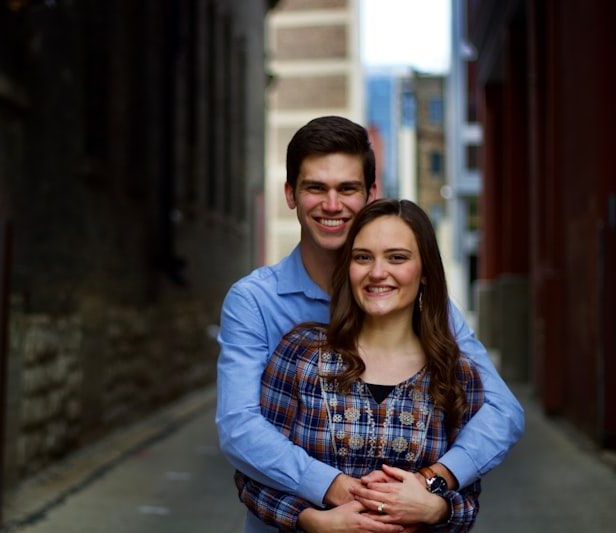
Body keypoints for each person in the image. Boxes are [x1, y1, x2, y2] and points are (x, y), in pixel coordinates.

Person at [215, 116, 523, 532]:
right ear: (290, 194)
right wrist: (339, 495)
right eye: (315, 188)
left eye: (347, 188)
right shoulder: (257, 303)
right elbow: (240, 429)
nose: (332, 205)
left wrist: (429, 484)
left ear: (371, 194)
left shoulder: (423, 308)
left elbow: (501, 411)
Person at [235, 198, 483, 531]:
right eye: (363, 257)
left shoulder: (455, 374)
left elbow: (469, 497)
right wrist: (313, 521)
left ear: (425, 272)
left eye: (397, 257)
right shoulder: (301, 355)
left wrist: (437, 509)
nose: (377, 273)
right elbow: (252, 476)